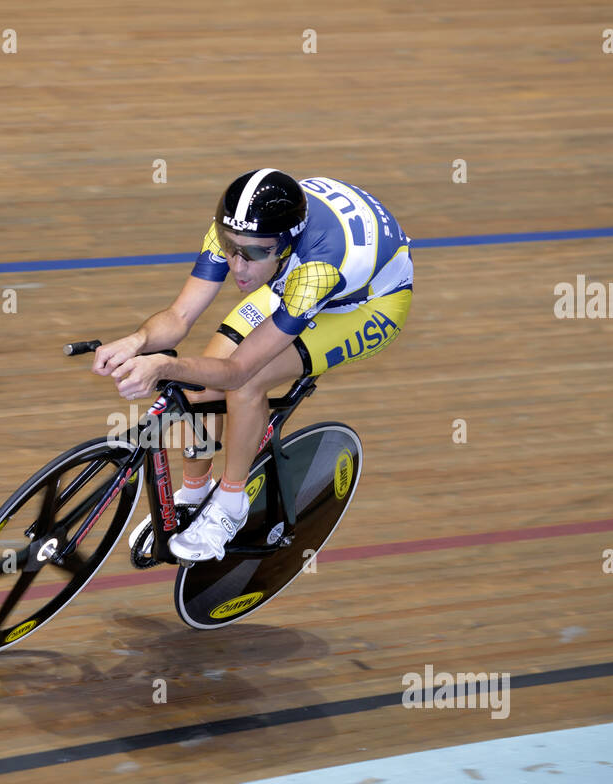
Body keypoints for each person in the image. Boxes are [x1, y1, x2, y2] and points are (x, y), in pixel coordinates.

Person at [93, 168, 412, 561]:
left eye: (255, 253)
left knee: (246, 383)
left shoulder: (315, 271)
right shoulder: (238, 233)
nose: (238, 267)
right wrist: (136, 341)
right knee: (203, 372)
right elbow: (178, 318)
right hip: (292, 274)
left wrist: (163, 367)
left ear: (284, 245)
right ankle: (194, 494)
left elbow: (239, 372)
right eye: (231, 249)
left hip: (369, 304)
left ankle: (230, 503)